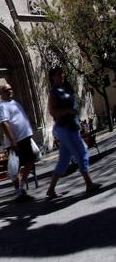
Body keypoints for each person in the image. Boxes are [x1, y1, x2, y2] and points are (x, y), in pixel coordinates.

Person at [46, 67, 101, 199]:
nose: (62, 76)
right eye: (59, 74)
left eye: (62, 73)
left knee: (64, 161)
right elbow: (53, 112)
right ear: (53, 77)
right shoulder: (53, 93)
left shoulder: (63, 89)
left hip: (70, 126)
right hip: (64, 128)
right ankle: (88, 183)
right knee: (81, 151)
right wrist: (68, 111)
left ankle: (51, 190)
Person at [0, 84, 37, 201]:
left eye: (10, 89)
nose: (9, 91)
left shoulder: (15, 103)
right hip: (16, 141)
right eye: (6, 90)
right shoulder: (2, 106)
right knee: (15, 167)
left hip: (25, 138)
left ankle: (22, 185)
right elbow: (4, 123)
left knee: (31, 158)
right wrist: (12, 140)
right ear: (2, 93)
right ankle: (19, 192)